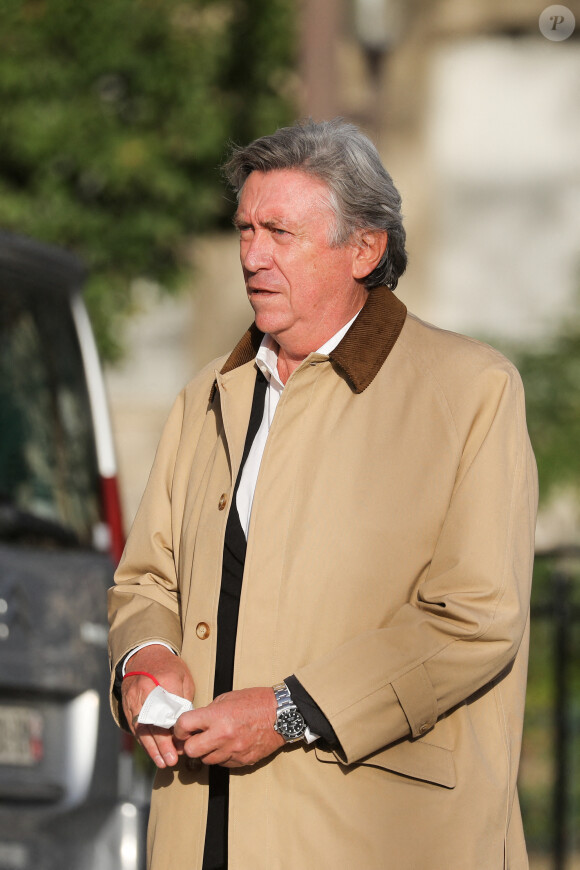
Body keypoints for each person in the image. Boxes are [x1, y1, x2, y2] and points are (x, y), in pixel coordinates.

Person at [108, 118, 538, 870]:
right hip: (198, 827)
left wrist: (285, 712)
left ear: (364, 249)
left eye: (279, 230)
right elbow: (146, 577)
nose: (252, 254)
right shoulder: (209, 392)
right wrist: (146, 657)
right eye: (244, 227)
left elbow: (476, 619)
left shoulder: (472, 390)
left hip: (376, 837)